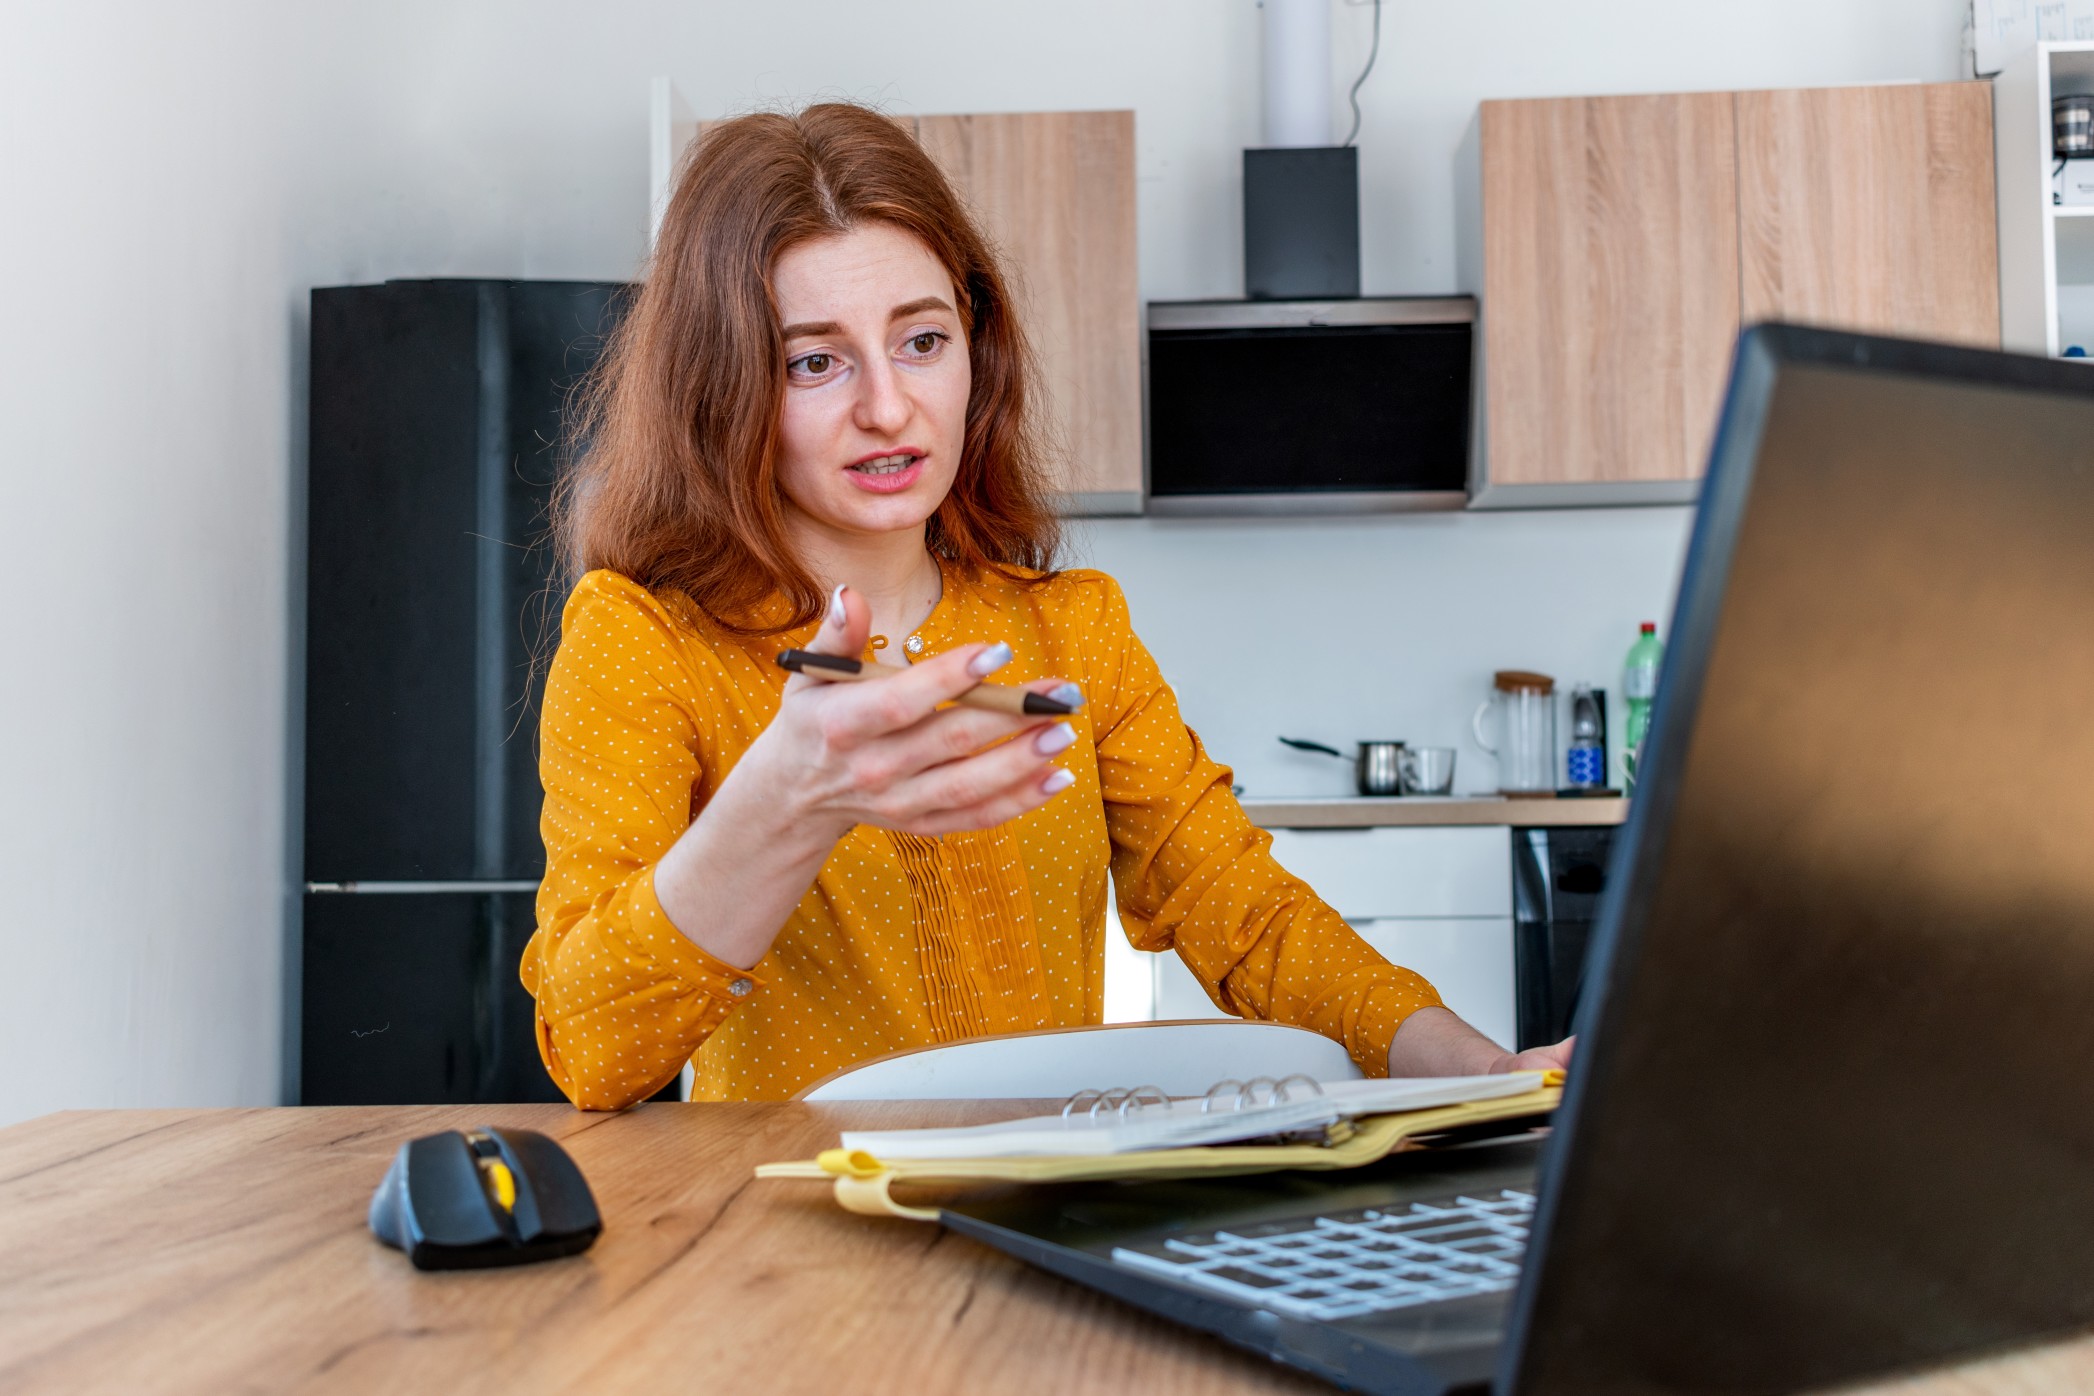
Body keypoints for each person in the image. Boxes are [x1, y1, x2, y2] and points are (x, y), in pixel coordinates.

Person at [522, 101, 1573, 1109]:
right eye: (814, 360)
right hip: (792, 1257)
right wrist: (784, 803)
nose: (887, 406)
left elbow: (1240, 911)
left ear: (977, 348)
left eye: (922, 340)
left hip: (1044, 1232)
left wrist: (1476, 1065)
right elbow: (596, 1052)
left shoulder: (1073, 628)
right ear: (723, 387)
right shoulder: (647, 640)